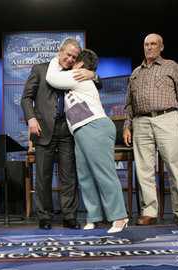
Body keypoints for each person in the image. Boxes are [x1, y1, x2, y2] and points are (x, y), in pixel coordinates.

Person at [21, 37, 102, 230]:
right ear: (60, 51)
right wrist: (31, 119)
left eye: (74, 57)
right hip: (43, 128)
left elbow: (98, 84)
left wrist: (92, 74)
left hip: (68, 129)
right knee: (43, 175)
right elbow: (26, 97)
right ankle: (45, 216)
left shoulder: (76, 72)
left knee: (69, 176)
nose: (70, 60)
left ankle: (70, 216)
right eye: (68, 55)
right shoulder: (40, 69)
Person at [46, 49, 129, 233]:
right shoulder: (85, 76)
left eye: (75, 61)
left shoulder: (79, 76)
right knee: (86, 176)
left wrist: (56, 58)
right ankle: (94, 217)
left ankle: (119, 216)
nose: (71, 63)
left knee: (104, 173)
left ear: (81, 65)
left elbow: (52, 78)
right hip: (81, 130)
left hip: (95, 126)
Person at [123, 33, 178, 227]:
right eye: (146, 44)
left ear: (161, 47)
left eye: (153, 44)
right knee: (144, 170)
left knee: (174, 166)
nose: (149, 47)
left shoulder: (171, 66)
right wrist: (127, 126)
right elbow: (129, 104)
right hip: (141, 121)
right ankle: (149, 211)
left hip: (167, 118)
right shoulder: (136, 72)